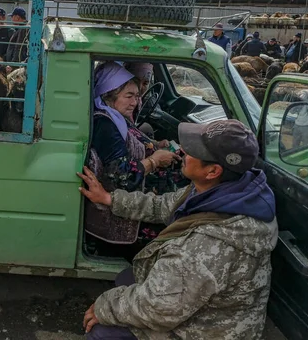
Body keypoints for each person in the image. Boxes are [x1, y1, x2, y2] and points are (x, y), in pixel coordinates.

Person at [78, 119, 278, 340]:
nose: (183, 151)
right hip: (203, 309)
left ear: (212, 171)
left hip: (209, 332)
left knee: (101, 332)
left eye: (193, 151)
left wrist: (104, 307)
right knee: (128, 278)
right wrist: (109, 198)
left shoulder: (208, 244)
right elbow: (162, 206)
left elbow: (159, 308)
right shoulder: (226, 192)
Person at [90, 62, 183, 196]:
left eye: (136, 96)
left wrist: (155, 145)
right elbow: (122, 177)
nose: (134, 102)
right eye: (129, 96)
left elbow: (132, 138)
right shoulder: (105, 125)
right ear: (108, 96)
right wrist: (154, 161)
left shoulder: (117, 117)